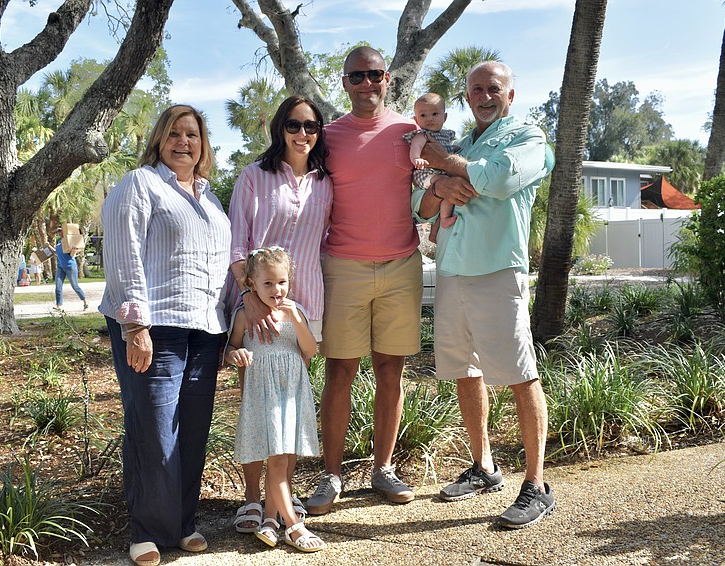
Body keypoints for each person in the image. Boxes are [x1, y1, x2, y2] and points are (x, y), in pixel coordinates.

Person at [412, 61, 556, 529]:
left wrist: (444, 164)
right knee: (464, 370)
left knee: (520, 374)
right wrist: (440, 184)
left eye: (494, 88)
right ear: (467, 97)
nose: (484, 96)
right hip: (451, 270)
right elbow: (420, 207)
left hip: (497, 270)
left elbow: (499, 180)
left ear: (510, 95)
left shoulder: (529, 138)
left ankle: (537, 485)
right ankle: (484, 466)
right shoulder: (464, 143)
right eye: (476, 89)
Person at [98, 104, 230, 566]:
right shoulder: (141, 184)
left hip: (205, 330)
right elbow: (123, 254)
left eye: (192, 135)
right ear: (159, 139)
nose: (183, 142)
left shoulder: (211, 199)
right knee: (153, 429)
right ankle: (147, 531)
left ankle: (182, 524)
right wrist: (135, 325)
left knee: (192, 430)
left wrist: (230, 327)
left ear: (203, 144)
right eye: (174, 133)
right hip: (155, 328)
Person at [305, 46, 422, 515]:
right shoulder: (327, 137)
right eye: (357, 76)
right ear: (345, 83)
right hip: (343, 267)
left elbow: (432, 183)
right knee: (340, 371)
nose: (366, 83)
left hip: (401, 265)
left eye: (374, 74)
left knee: (391, 370)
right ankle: (331, 476)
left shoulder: (410, 132)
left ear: (387, 78)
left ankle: (383, 469)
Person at [226, 96, 332, 534]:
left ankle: (279, 501)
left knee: (290, 403)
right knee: (256, 404)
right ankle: (254, 498)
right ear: (279, 128)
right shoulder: (254, 176)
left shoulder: (326, 182)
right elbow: (237, 244)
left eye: (311, 126)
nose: (302, 133)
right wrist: (248, 296)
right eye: (293, 124)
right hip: (256, 303)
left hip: (304, 306)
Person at [225, 247, 326, 553]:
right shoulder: (244, 315)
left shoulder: (295, 312)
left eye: (282, 282)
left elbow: (310, 350)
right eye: (267, 283)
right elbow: (230, 348)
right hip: (263, 396)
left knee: (281, 459)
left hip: (291, 394)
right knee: (277, 459)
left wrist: (295, 319)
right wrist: (236, 354)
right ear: (251, 284)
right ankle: (293, 525)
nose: (276, 289)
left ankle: (270, 519)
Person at [403, 93, 459, 243]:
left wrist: (454, 149)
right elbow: (415, 148)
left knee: (448, 193)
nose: (429, 118)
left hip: (439, 173)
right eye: (423, 115)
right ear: (416, 120)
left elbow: (446, 150)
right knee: (447, 185)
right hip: (426, 173)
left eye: (435, 114)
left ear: (444, 117)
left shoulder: (446, 135)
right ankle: (443, 220)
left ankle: (436, 230)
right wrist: (417, 159)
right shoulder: (422, 135)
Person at [50, 226, 88, 311]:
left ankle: (85, 302)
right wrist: (49, 246)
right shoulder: (59, 242)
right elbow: (56, 253)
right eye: (58, 232)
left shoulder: (69, 241)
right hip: (60, 267)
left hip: (70, 266)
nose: (59, 233)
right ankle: (59, 305)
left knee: (75, 286)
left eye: (60, 231)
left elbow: (71, 255)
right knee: (58, 286)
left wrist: (73, 250)